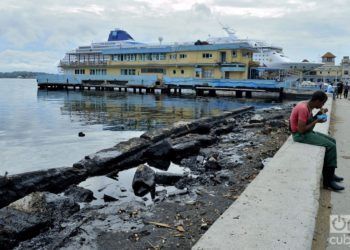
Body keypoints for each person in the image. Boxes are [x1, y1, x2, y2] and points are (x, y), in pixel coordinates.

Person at [289, 90, 344, 191]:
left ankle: (330, 174)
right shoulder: (303, 108)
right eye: (322, 102)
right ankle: (328, 182)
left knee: (333, 141)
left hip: (306, 132)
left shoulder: (308, 105)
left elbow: (307, 121)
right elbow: (301, 130)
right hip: (300, 136)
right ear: (317, 101)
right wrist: (316, 121)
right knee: (331, 146)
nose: (323, 104)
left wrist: (319, 114)